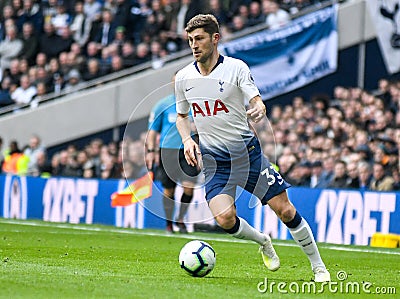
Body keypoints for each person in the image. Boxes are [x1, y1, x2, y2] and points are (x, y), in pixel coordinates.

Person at [175, 14, 330, 282]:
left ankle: (318, 267)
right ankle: (263, 241)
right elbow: (181, 116)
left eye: (199, 38)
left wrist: (258, 107)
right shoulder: (183, 77)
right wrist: (188, 139)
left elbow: (256, 100)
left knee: (286, 211)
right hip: (214, 161)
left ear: (215, 39)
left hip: (247, 155)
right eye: (190, 40)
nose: (194, 45)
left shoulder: (236, 68)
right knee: (224, 219)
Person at [146, 77, 200, 233]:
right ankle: (169, 223)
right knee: (169, 190)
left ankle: (180, 218)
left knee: (189, 187)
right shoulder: (163, 105)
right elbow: (153, 131)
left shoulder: (195, 104)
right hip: (167, 151)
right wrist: (151, 151)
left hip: (188, 150)